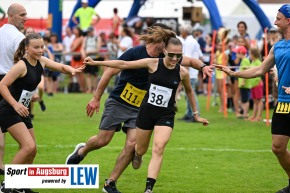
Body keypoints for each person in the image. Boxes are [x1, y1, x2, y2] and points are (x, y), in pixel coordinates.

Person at [65, 25, 213, 193]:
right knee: (103, 140)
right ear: (161, 44)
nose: (172, 55)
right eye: (168, 49)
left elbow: (192, 62)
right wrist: (96, 98)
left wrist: (203, 67)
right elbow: (111, 71)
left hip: (140, 107)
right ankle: (82, 150)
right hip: (119, 101)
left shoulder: (167, 57)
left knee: (133, 144)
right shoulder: (135, 53)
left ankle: (110, 183)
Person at [215, 4, 290, 193]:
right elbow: (259, 70)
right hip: (283, 103)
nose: (274, 22)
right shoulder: (277, 46)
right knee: (277, 147)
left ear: (288, 21)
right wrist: (234, 73)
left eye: (278, 18)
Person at [0, 33, 84, 193]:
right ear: (27, 48)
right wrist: (15, 104)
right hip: (9, 110)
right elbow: (2, 85)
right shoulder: (21, 66)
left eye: (42, 46)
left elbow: (60, 67)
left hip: (22, 111)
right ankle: (6, 185)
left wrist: (72, 70)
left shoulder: (42, 62)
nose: (40, 50)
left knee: (32, 150)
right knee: (27, 146)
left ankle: (21, 186)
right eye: (36, 47)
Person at [0, 3, 27, 178]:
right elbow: (25, 63)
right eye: (22, 15)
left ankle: (1, 165)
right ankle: (17, 177)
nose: (26, 18)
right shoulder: (18, 37)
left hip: (4, 81)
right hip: (11, 84)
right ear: (11, 16)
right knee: (25, 136)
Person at [178, 24, 202, 122]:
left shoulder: (188, 42)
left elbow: (186, 58)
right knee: (188, 93)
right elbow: (201, 56)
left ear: (184, 32)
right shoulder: (194, 41)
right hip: (193, 71)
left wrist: (184, 73)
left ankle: (195, 114)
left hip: (189, 72)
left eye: (181, 30)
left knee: (190, 93)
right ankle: (189, 113)